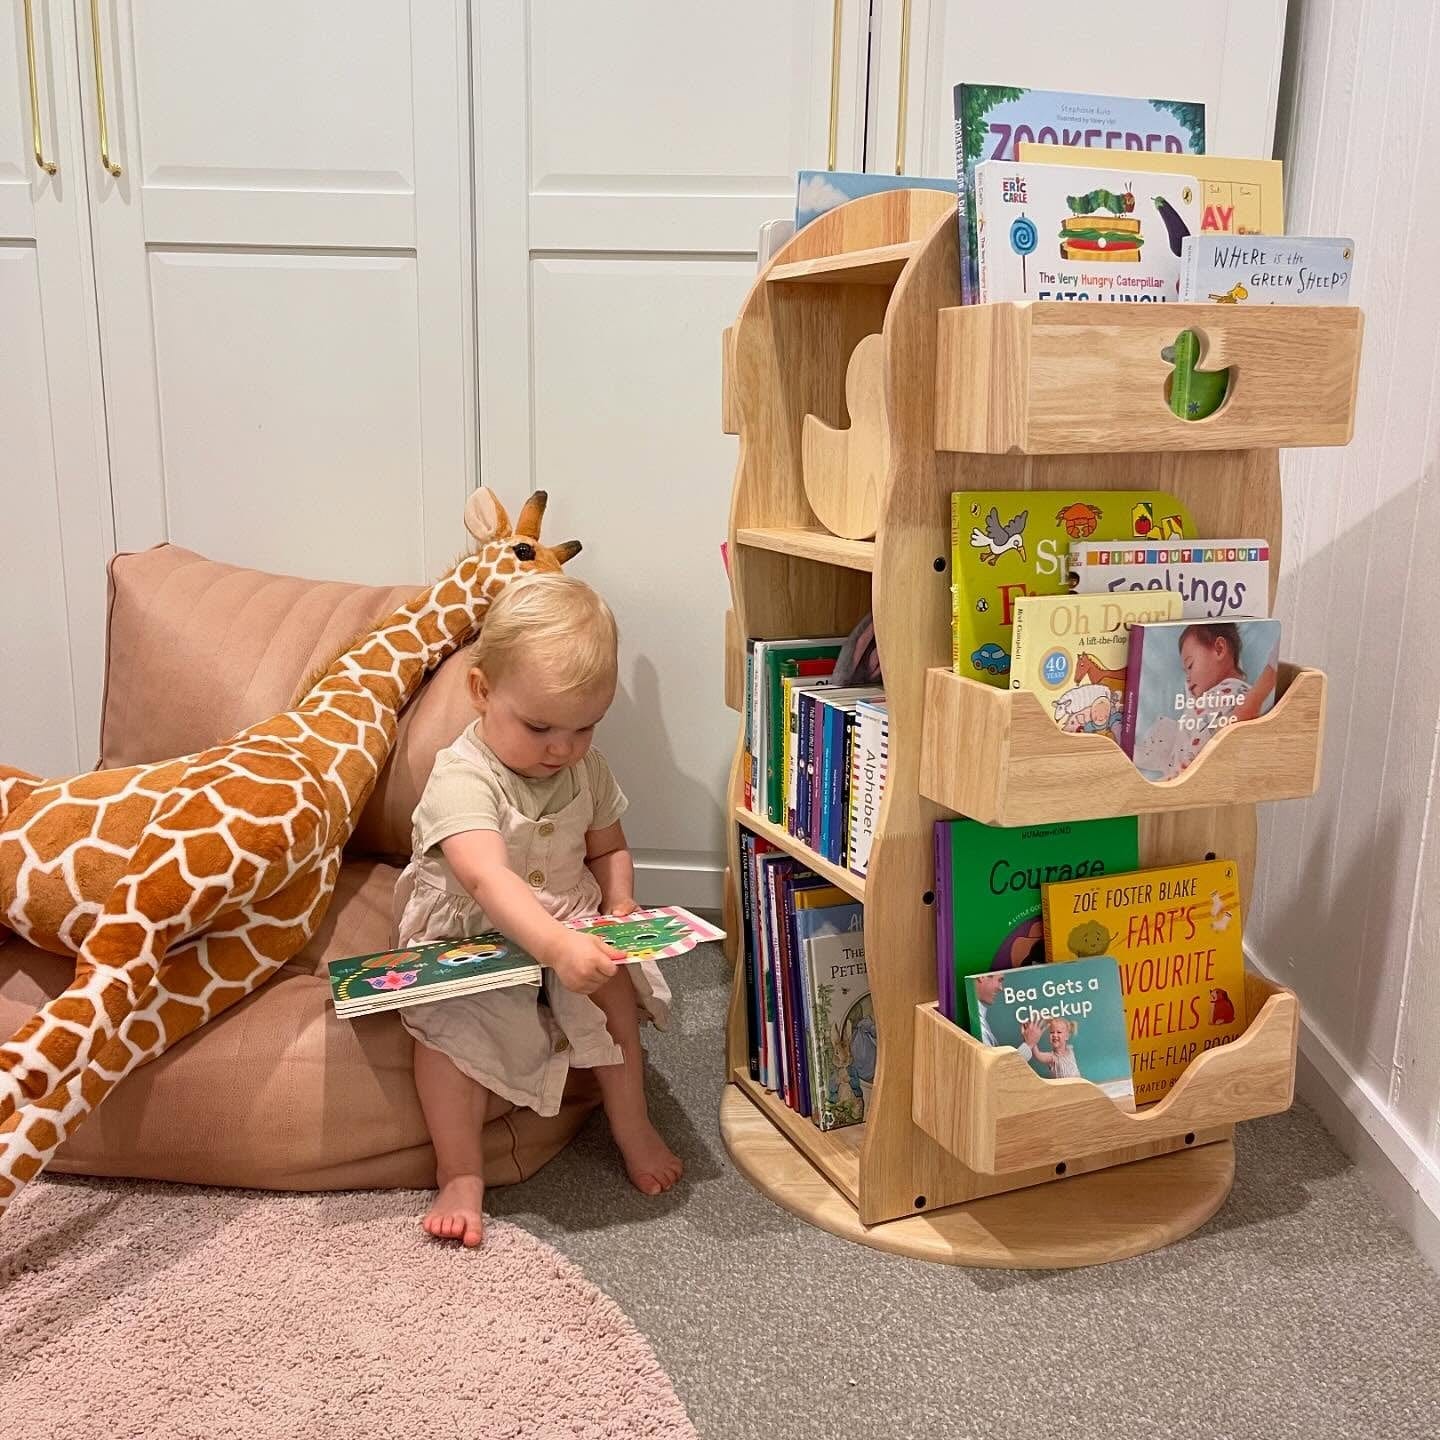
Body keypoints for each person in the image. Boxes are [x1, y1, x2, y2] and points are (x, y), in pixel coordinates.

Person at [394, 574, 679, 1248]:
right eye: (540, 726)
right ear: (483, 691)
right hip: (472, 926)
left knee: (613, 995)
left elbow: (609, 846)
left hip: (566, 914)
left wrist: (619, 899)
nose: (562, 747)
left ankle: (632, 1124)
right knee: (448, 1032)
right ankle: (460, 1170)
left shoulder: (587, 769)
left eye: (585, 726)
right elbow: (487, 878)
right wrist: (553, 948)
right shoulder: (462, 775)